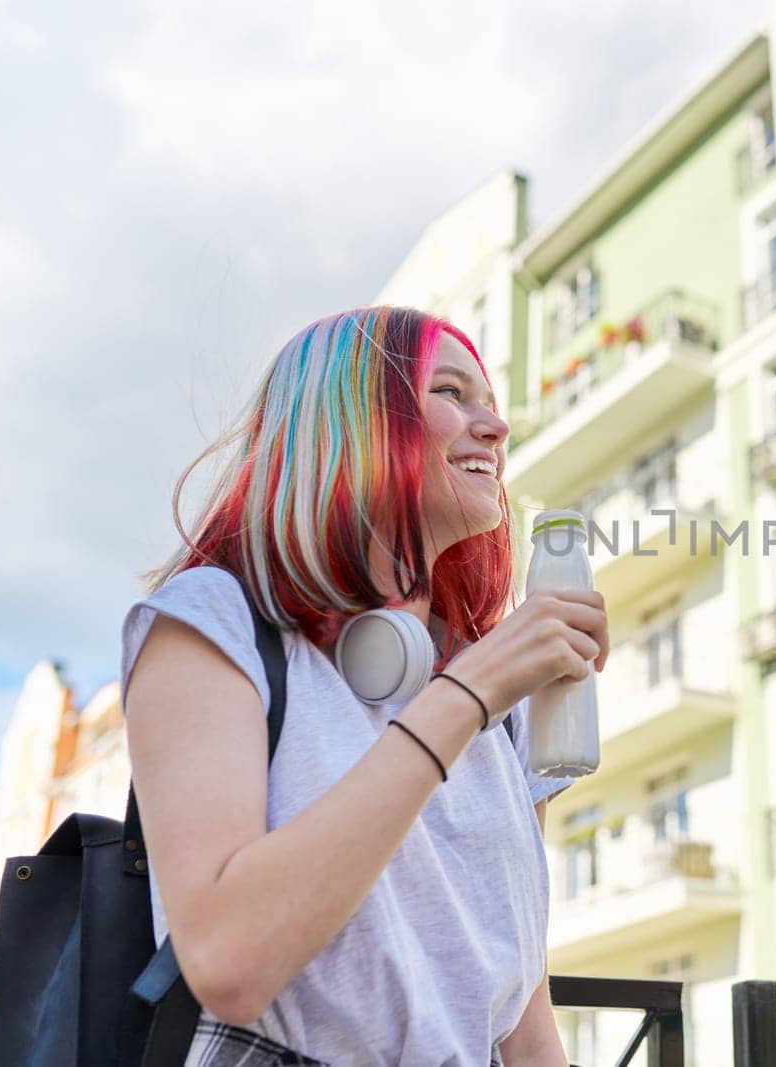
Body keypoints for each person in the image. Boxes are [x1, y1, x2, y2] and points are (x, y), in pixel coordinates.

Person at [123, 307, 606, 1065]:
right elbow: (226, 961)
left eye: (491, 400)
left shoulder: (501, 706)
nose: (496, 426)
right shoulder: (212, 619)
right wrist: (465, 696)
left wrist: (479, 689)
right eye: (451, 391)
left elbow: (521, 1011)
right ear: (351, 423)